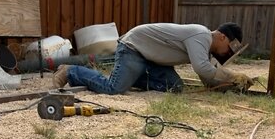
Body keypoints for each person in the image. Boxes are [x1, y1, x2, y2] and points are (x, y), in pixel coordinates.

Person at [53, 22, 248, 94]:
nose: (227, 53)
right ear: (222, 37)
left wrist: (225, 88)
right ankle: (71, 71)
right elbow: (202, 69)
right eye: (229, 47)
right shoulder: (201, 36)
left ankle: (131, 75)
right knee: (113, 88)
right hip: (134, 48)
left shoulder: (204, 46)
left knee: (176, 88)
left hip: (151, 58)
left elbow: (207, 76)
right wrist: (231, 76)